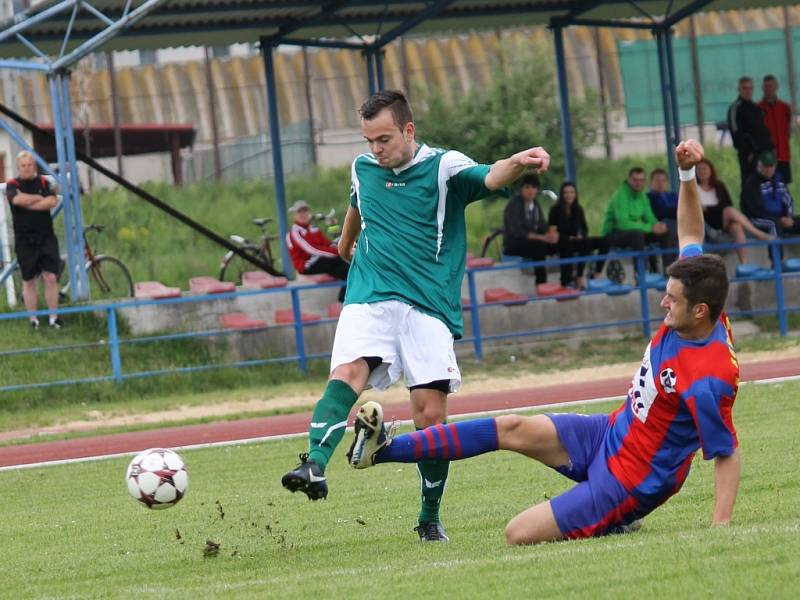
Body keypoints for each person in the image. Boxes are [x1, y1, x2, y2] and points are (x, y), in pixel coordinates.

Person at [349, 139, 741, 545]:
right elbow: (691, 232)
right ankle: (381, 450)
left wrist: (720, 528)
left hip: (630, 480)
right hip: (610, 433)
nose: (663, 302)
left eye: (672, 300)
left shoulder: (709, 375)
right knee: (511, 427)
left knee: (517, 534)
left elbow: (725, 452)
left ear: (700, 312)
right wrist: (687, 174)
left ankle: (614, 517)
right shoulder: (701, 301)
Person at [280, 89, 551, 542]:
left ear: (408, 130)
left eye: (384, 139)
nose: (375, 150)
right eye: (369, 141)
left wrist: (519, 160)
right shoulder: (364, 167)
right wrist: (344, 247)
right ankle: (314, 463)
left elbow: (490, 176)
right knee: (349, 372)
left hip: (427, 306)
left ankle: (428, 516)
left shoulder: (444, 168)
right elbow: (357, 205)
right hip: (370, 295)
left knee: (430, 417)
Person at [5, 151, 62, 329]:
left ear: (34, 166)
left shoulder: (45, 182)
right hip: (24, 239)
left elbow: (52, 201)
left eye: (29, 165)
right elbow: (17, 200)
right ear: (18, 167)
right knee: (29, 280)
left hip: (46, 236)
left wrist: (31, 202)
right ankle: (33, 320)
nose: (27, 168)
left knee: (51, 277)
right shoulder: (12, 184)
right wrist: (38, 198)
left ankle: (54, 318)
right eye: (23, 165)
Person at [695, 158, 772, 264]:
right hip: (707, 224)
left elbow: (727, 204)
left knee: (736, 226)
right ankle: (758, 233)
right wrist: (711, 209)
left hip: (723, 220)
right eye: (699, 169)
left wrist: (709, 208)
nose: (702, 171)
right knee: (729, 211)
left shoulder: (719, 186)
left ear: (710, 170)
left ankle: (744, 264)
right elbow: (699, 211)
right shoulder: (694, 189)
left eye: (704, 169)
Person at [601, 167, 675, 274]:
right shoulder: (620, 196)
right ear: (629, 180)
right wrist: (650, 228)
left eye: (641, 180)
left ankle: (669, 270)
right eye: (635, 180)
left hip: (633, 232)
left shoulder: (642, 196)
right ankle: (640, 273)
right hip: (612, 234)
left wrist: (658, 225)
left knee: (665, 233)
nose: (638, 183)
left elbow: (649, 217)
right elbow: (623, 224)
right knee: (637, 235)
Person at [285, 199, 349, 302]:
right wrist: (337, 252)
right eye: (299, 212)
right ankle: (343, 300)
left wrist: (340, 249)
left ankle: (344, 300)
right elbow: (311, 249)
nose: (303, 214)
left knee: (349, 269)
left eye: (305, 211)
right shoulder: (294, 232)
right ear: (294, 215)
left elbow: (328, 244)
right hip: (307, 265)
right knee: (344, 267)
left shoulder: (314, 229)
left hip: (320, 260)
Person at [548, 182, 608, 289]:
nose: (569, 195)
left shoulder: (578, 209)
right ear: (562, 194)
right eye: (566, 192)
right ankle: (567, 280)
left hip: (577, 240)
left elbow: (584, 228)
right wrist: (567, 237)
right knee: (568, 244)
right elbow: (552, 231)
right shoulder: (555, 210)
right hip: (562, 241)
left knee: (602, 241)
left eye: (571, 192)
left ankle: (593, 274)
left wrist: (581, 235)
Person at [502, 174, 558, 285]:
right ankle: (541, 284)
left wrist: (552, 235)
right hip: (514, 244)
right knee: (539, 246)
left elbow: (542, 225)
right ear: (521, 189)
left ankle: (567, 281)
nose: (530, 191)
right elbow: (517, 232)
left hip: (534, 241)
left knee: (563, 243)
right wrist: (543, 238)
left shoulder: (535, 204)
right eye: (527, 187)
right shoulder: (514, 205)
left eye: (533, 188)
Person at [741, 150, 800, 239]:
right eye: (765, 166)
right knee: (773, 224)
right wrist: (779, 220)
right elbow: (756, 210)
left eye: (771, 166)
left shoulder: (779, 179)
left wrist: (788, 217)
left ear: (775, 166)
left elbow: (788, 200)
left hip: (781, 218)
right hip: (756, 219)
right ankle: (776, 252)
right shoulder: (752, 183)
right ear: (759, 165)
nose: (768, 169)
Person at [727, 76, 773, 188]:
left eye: (750, 88)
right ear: (739, 89)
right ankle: (746, 206)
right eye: (745, 88)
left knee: (766, 185)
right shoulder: (735, 108)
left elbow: (763, 131)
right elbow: (736, 133)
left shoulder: (755, 108)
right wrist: (748, 152)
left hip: (764, 154)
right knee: (750, 184)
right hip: (749, 156)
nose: (748, 91)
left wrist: (770, 149)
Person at [757, 74, 793, 184]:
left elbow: (788, 130)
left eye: (771, 86)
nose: (769, 89)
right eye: (766, 86)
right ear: (762, 88)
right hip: (767, 158)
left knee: (783, 188)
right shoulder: (758, 108)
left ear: (776, 87)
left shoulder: (785, 107)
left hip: (783, 155)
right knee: (766, 188)